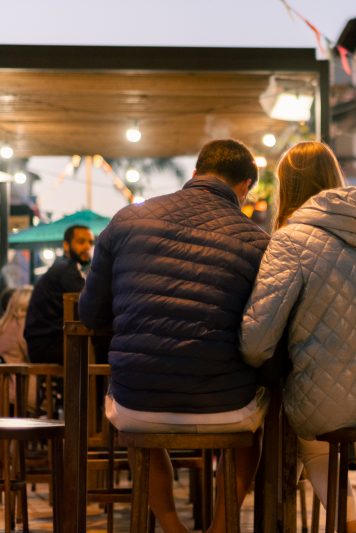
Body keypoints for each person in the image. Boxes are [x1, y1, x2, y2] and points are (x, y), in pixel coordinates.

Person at [79, 139, 269, 533]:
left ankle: (170, 524)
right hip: (226, 408)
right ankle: (221, 525)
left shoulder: (128, 219)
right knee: (254, 432)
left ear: (196, 172)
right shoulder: (255, 241)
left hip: (138, 402)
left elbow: (89, 313)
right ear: (246, 185)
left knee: (136, 423)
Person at [240, 141, 356, 533]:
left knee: (310, 433)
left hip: (325, 399)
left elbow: (256, 342)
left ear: (288, 185)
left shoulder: (290, 240)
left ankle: (349, 526)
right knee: (322, 411)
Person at [25, 224, 94, 364]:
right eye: (81, 242)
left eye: (91, 242)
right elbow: (88, 301)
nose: (87, 247)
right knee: (104, 350)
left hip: (45, 343)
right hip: (47, 345)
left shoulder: (69, 268)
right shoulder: (66, 269)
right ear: (66, 245)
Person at [0, 287, 34, 408]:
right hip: (22, 392)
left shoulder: (3, 326)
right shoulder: (24, 325)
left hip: (4, 392)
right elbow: (31, 355)